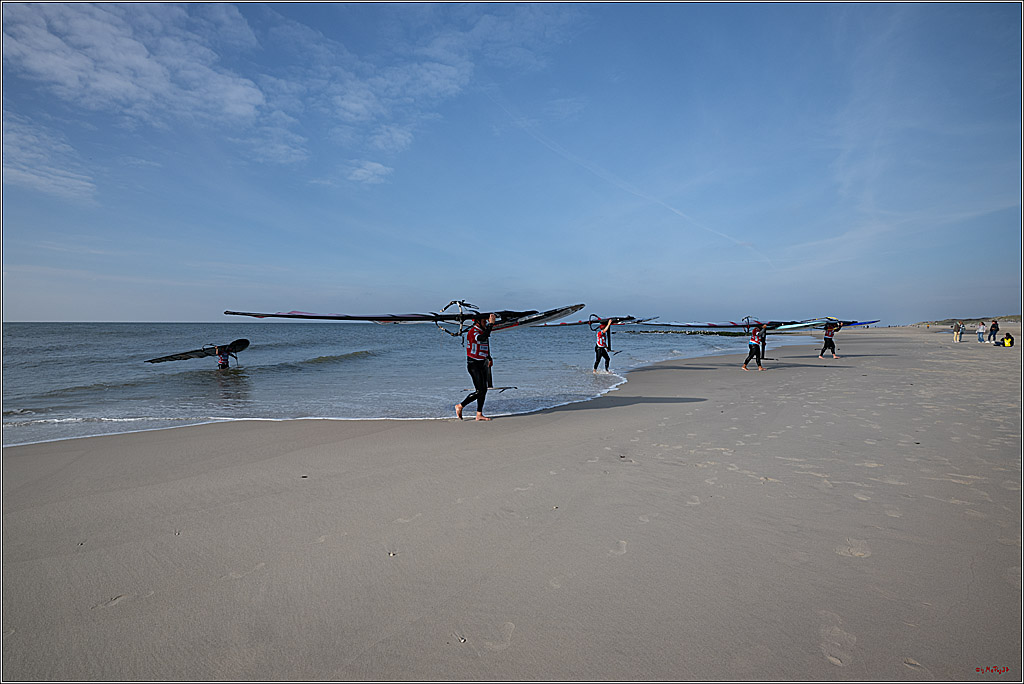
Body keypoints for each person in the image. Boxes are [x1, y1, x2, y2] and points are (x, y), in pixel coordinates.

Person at [456, 312, 496, 421]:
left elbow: (485, 344)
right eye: (484, 321)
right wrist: (491, 325)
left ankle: (479, 414)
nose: (486, 322)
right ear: (477, 322)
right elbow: (482, 338)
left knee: (484, 390)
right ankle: (460, 406)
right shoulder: (473, 332)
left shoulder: (482, 330)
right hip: (473, 364)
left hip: (482, 362)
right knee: (479, 391)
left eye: (486, 321)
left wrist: (489, 357)